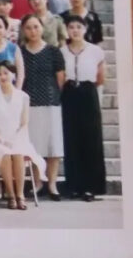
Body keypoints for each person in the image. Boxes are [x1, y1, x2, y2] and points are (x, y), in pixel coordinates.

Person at [0, 60, 47, 210]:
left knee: (18, 152)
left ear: (13, 74)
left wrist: (14, 138)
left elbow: (24, 122)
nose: (3, 76)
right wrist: (1, 139)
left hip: (19, 137)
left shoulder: (23, 96)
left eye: (6, 73)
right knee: (5, 153)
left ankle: (20, 195)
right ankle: (11, 195)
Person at [60, 15, 107, 201]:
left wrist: (89, 90)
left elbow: (101, 77)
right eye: (71, 27)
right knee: (72, 139)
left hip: (88, 93)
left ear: (85, 29)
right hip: (70, 93)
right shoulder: (62, 51)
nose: (75, 30)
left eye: (79, 26)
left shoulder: (96, 50)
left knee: (91, 139)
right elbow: (60, 76)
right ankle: (75, 186)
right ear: (67, 30)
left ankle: (91, 187)